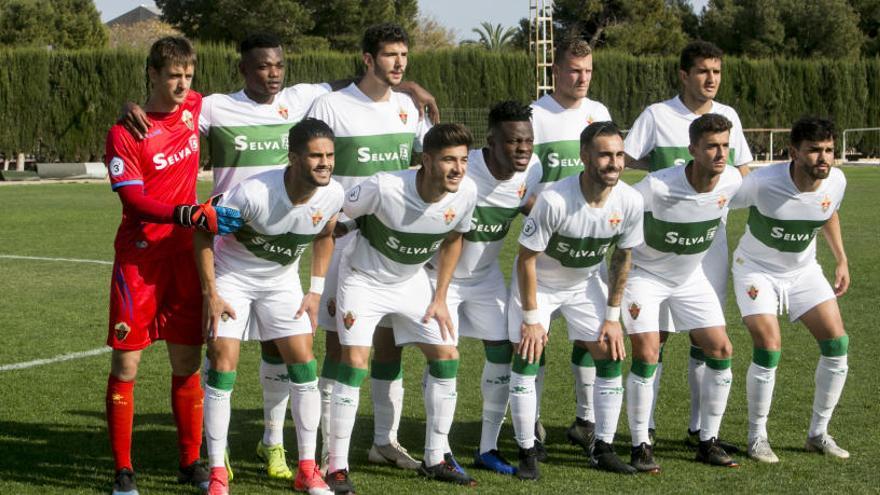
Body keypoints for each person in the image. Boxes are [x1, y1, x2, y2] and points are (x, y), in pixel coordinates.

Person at [120, 31, 439, 480]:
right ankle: (219, 454)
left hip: (281, 253)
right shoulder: (213, 107)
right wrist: (130, 107)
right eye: (263, 66)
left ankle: (272, 442)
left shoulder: (302, 99)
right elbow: (168, 106)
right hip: (231, 245)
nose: (273, 74)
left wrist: (406, 86)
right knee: (221, 354)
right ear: (242, 70)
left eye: (279, 66)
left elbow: (360, 82)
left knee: (282, 350)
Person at [103, 36, 243, 495]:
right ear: (152, 75)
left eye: (188, 75)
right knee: (126, 366)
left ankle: (190, 462)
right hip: (139, 265)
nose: (182, 85)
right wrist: (185, 212)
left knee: (185, 364)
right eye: (172, 76)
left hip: (185, 260)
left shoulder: (194, 108)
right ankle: (123, 470)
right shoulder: (125, 132)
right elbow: (133, 198)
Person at [324, 123, 478, 493]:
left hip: (411, 282)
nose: (457, 169)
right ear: (425, 160)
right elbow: (336, 213)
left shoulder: (467, 192)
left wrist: (440, 296)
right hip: (363, 279)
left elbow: (455, 237)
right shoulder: (384, 185)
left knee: (446, 356)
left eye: (463, 160)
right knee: (355, 362)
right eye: (448, 160)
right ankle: (335, 467)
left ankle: (436, 457)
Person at [307, 22, 431, 473]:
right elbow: (309, 163)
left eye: (404, 55)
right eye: (390, 55)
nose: (399, 63)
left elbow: (424, 163)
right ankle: (327, 452)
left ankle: (385, 441)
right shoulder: (332, 105)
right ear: (367, 59)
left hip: (392, 247)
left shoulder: (407, 107)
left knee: (389, 345)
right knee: (340, 346)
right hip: (342, 244)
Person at [195, 119, 343, 495]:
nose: (325, 163)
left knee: (304, 364)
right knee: (222, 361)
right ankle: (216, 473)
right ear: (293, 158)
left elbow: (325, 236)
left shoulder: (333, 194)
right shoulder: (253, 194)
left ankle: (307, 469)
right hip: (233, 276)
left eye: (329, 155)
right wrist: (211, 293)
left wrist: (315, 290)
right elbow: (203, 230)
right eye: (315, 156)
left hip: (281, 282)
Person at [623, 40, 753, 448]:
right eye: (702, 71)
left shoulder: (727, 115)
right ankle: (646, 430)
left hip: (707, 241)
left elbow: (742, 171)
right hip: (658, 243)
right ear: (684, 75)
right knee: (655, 337)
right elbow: (627, 158)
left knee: (705, 337)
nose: (711, 79)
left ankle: (700, 429)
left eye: (716, 72)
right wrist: (668, 182)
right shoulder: (657, 115)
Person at [508, 121, 644, 480]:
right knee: (527, 353)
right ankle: (526, 451)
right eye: (604, 155)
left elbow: (622, 257)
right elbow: (526, 259)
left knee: (610, 350)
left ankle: (603, 447)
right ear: (585, 157)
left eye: (618, 155)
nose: (613, 163)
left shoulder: (630, 201)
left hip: (584, 283)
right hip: (541, 284)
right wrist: (533, 318)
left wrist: (612, 317)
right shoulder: (554, 200)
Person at [426, 101, 541, 476]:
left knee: (502, 353)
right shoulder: (465, 171)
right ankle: (438, 449)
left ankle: (488, 447)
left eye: (527, 140)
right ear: (491, 142)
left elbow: (527, 202)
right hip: (436, 279)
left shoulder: (530, 171)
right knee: (444, 357)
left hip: (486, 277)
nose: (522, 148)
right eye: (512, 142)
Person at [730, 117, 850, 463]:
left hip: (803, 271)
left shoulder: (836, 181)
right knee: (769, 346)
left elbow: (828, 212)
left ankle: (818, 433)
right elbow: (719, 203)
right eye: (814, 151)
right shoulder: (762, 183)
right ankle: (757, 437)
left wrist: (841, 259)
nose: (823, 158)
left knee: (837, 343)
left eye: (829, 150)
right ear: (793, 152)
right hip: (755, 271)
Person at [528, 35, 613, 455]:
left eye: (588, 71)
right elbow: (519, 187)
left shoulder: (599, 113)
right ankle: (534, 422)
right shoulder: (535, 116)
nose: (582, 78)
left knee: (591, 337)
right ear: (556, 71)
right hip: (544, 254)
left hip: (590, 253)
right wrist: (548, 218)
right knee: (535, 341)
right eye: (574, 70)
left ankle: (585, 420)